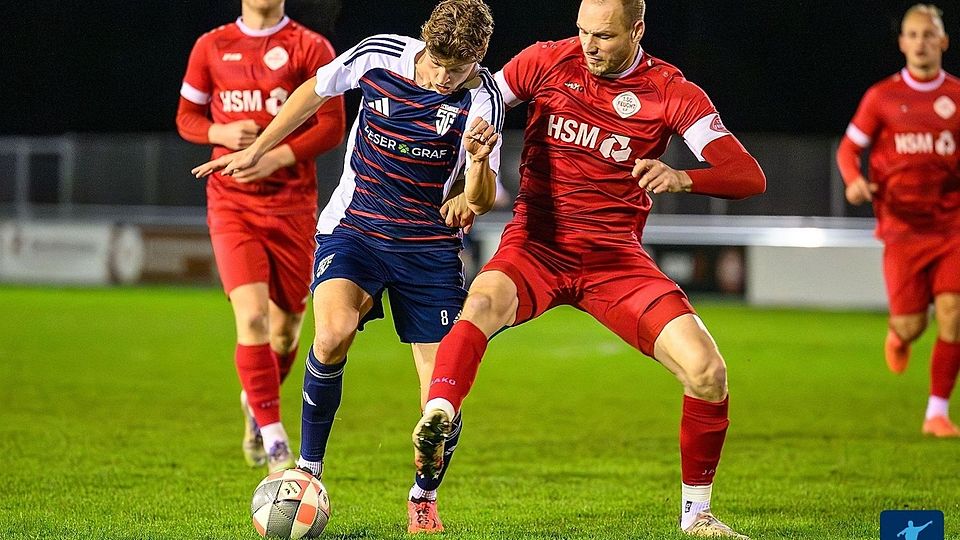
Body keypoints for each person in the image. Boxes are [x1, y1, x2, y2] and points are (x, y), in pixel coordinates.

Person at [410, 0, 766, 537]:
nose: (588, 46)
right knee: (479, 304)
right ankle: (438, 415)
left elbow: (747, 175)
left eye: (602, 36)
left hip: (614, 261)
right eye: (582, 32)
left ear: (637, 31)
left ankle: (697, 515)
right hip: (537, 245)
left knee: (708, 373)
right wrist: (469, 176)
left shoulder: (671, 91)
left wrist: (684, 177)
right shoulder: (546, 61)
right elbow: (475, 106)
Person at [192, 0, 502, 533]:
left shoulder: (484, 96)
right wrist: (259, 148)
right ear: (424, 42)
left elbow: (482, 198)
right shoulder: (380, 56)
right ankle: (308, 470)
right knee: (331, 334)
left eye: (461, 70)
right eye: (440, 65)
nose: (447, 79)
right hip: (354, 230)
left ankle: (423, 495)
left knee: (439, 397)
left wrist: (473, 173)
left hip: (428, 248)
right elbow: (314, 92)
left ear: (478, 60)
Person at [176, 0, 346, 473]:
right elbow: (186, 119)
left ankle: (256, 404)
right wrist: (220, 129)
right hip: (232, 203)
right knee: (250, 320)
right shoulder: (211, 46)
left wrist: (274, 156)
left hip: (292, 205)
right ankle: (274, 442)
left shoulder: (311, 47)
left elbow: (331, 126)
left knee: (287, 331)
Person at [836, 4, 960, 438]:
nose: (921, 42)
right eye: (913, 34)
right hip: (901, 228)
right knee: (913, 324)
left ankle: (936, 413)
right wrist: (854, 180)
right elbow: (848, 151)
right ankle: (899, 334)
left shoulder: (958, 97)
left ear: (943, 42)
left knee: (954, 313)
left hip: (952, 225)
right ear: (902, 42)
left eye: (929, 34)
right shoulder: (882, 97)